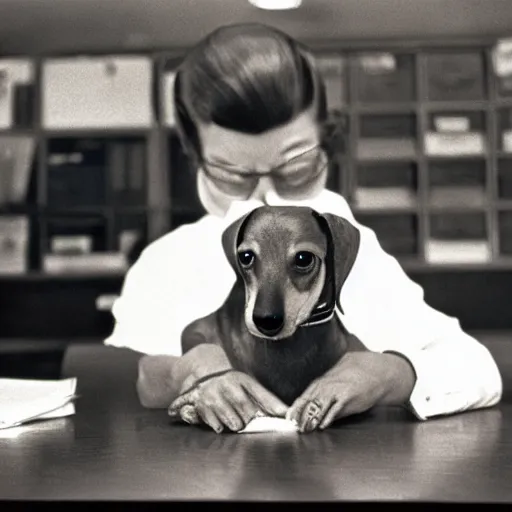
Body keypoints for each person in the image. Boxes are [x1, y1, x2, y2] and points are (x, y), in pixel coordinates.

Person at [104, 23, 502, 434]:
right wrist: (185, 373)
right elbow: (117, 388)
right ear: (193, 155)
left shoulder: (351, 249)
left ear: (327, 141)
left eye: (296, 168)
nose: (265, 197)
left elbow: (477, 369)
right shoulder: (164, 262)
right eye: (231, 175)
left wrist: (390, 374)